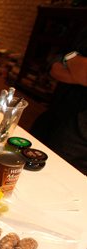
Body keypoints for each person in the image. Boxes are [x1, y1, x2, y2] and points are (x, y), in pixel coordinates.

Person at [30, 28, 87, 175]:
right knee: (29, 160)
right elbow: (54, 66)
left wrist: (69, 59)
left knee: (59, 176)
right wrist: (71, 60)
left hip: (79, 134)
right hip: (57, 113)